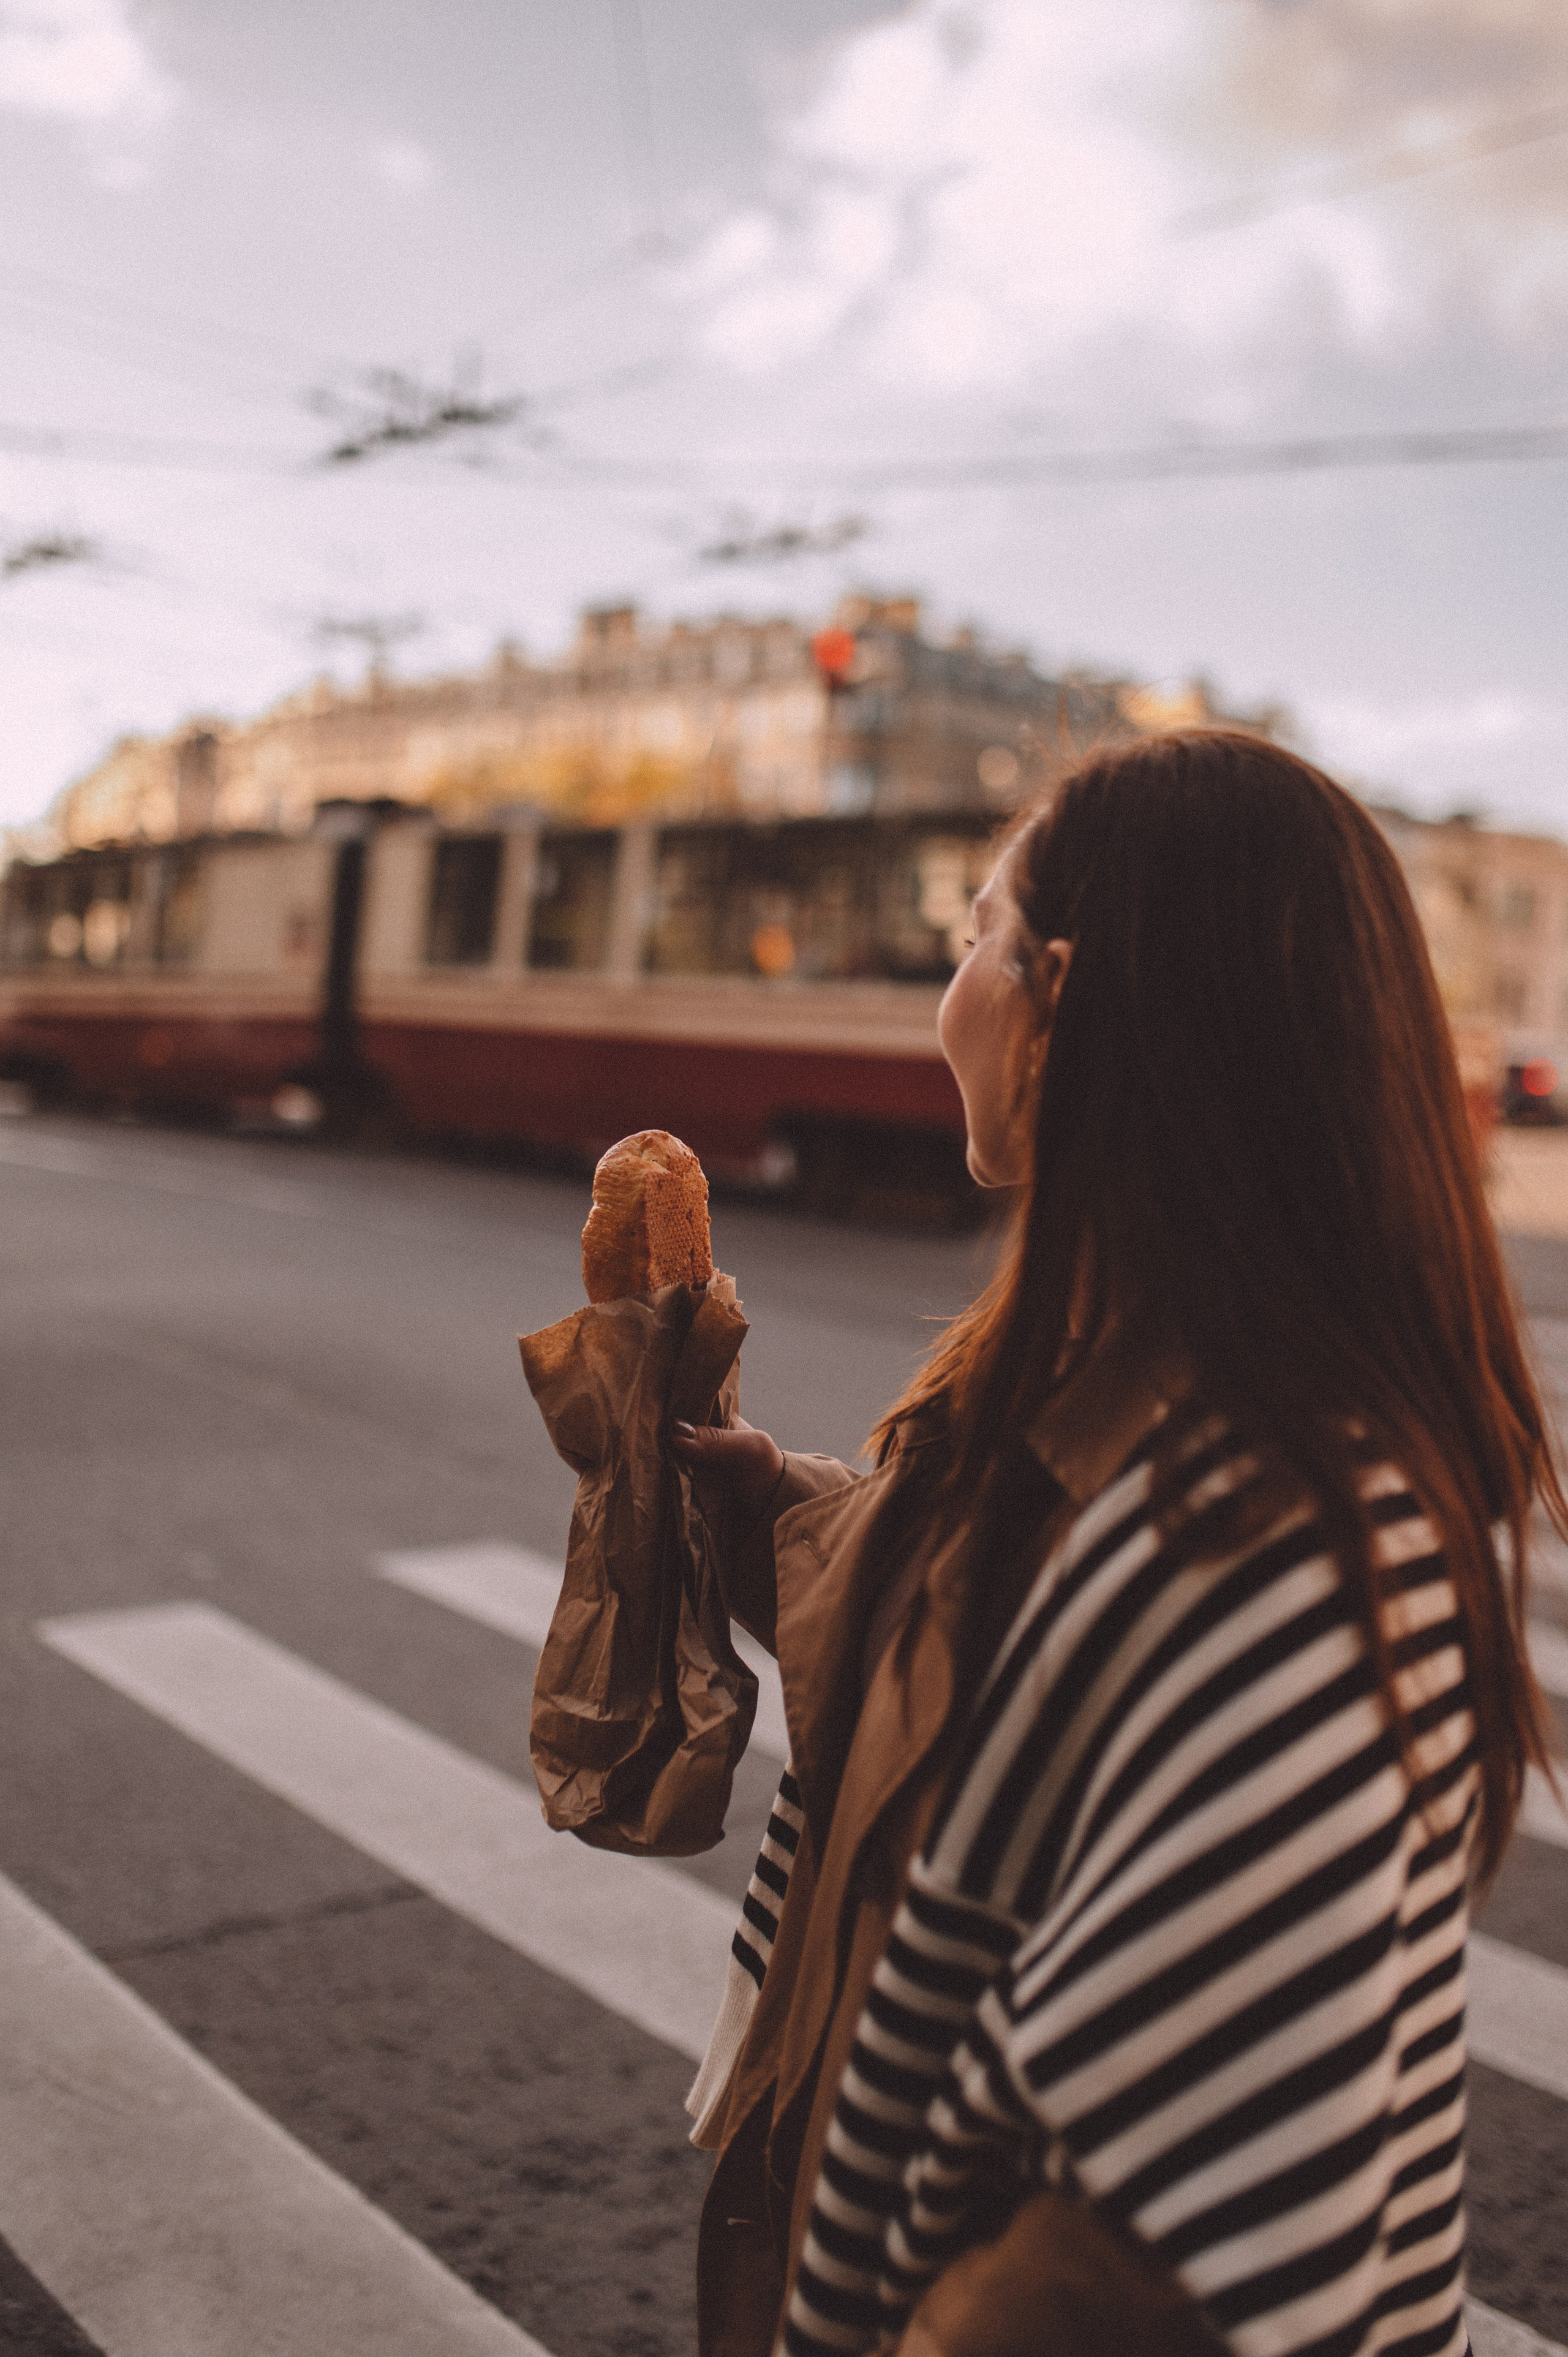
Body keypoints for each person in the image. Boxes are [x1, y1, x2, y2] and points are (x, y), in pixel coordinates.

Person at [666, 729, 1561, 2357]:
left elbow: (1154, 2259)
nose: (952, 1001)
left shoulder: (1286, 1536)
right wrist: (792, 1530)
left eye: (972, 941)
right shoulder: (1112, 1393)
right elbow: (1031, 1679)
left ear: (1057, 1001)